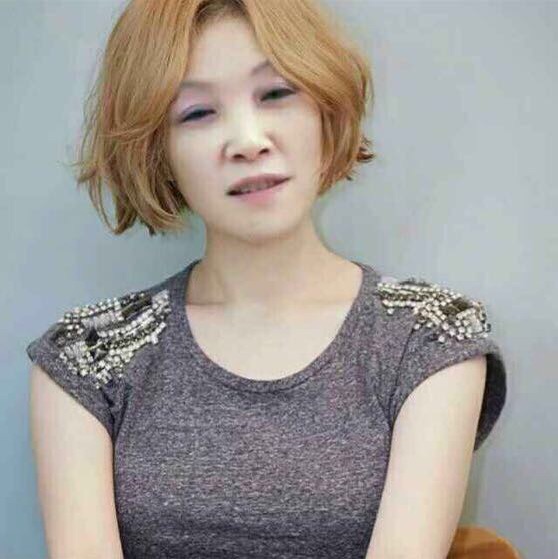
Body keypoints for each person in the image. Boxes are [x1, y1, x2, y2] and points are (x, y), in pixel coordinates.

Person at [26, 1, 507, 558]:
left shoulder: (428, 337)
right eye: (197, 113)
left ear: (325, 109)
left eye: (276, 93)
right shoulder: (86, 355)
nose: (248, 141)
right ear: (157, 152)